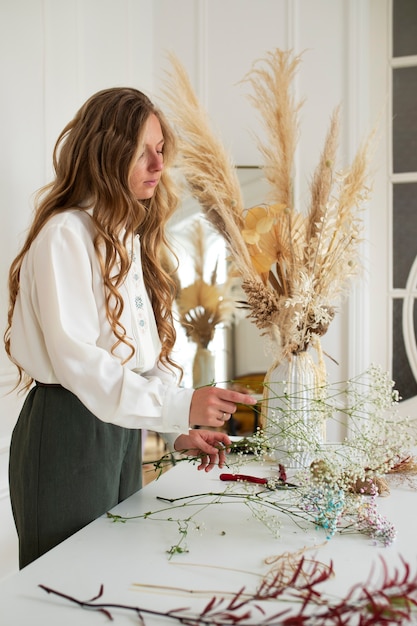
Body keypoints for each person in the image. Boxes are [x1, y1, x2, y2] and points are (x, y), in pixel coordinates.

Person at [4, 87, 256, 569]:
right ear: (105, 152)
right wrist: (181, 404)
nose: (158, 166)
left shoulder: (128, 236)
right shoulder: (66, 235)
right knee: (67, 587)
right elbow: (81, 364)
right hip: (67, 432)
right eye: (142, 151)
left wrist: (176, 425)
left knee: (111, 576)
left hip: (118, 432)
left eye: (160, 150)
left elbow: (140, 358)